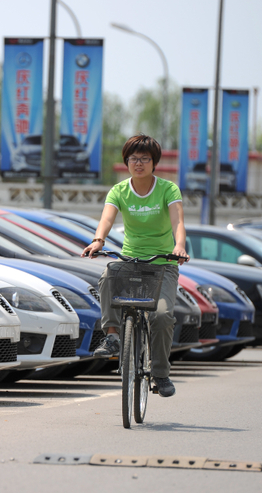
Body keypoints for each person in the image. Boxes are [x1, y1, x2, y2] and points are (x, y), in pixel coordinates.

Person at [82, 134, 189, 398]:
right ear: (126, 162)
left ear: (154, 163)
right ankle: (113, 335)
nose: (138, 163)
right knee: (108, 274)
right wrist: (98, 241)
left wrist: (179, 246)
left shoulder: (168, 189)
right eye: (133, 159)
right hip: (130, 259)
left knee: (162, 316)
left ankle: (161, 373)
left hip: (163, 264)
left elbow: (177, 222)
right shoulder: (119, 190)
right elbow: (106, 219)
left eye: (144, 159)